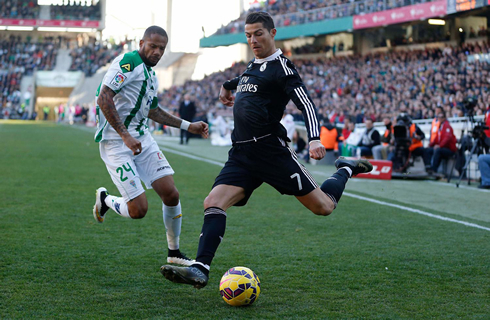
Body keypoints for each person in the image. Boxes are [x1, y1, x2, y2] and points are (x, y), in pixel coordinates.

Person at [160, 12, 373, 289]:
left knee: (324, 207)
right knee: (213, 201)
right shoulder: (254, 64)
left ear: (273, 33)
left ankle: (345, 168)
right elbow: (247, 78)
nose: (253, 40)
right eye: (248, 35)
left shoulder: (283, 68)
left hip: (272, 152)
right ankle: (201, 268)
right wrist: (227, 85)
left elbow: (306, 104)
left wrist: (314, 139)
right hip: (242, 155)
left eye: (258, 33)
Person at [92, 26, 209, 267]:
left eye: (161, 49)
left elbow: (153, 111)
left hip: (142, 138)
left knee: (171, 193)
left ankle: (174, 252)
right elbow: (104, 96)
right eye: (152, 46)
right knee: (138, 210)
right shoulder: (128, 61)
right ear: (142, 43)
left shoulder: (150, 75)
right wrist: (125, 136)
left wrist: (188, 126)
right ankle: (105, 201)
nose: (157, 52)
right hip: (116, 142)